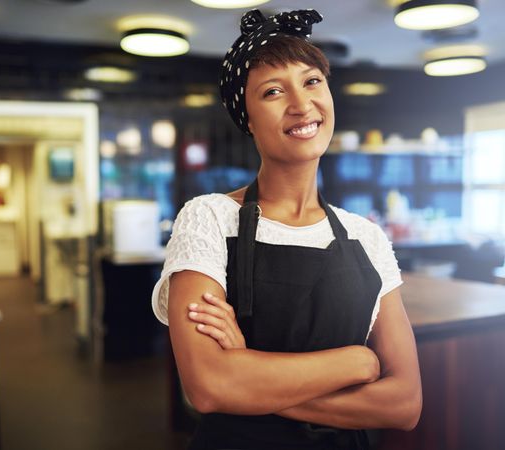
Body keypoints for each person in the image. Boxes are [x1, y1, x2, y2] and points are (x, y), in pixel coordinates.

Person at [151, 8, 422, 450]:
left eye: (312, 81)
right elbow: (208, 387)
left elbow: (405, 403)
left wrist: (246, 372)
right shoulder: (209, 218)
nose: (301, 105)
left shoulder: (366, 238)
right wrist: (357, 362)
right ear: (248, 120)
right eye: (273, 91)